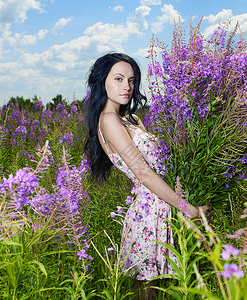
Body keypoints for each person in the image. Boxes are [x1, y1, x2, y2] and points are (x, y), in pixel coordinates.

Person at [83, 52, 209, 299]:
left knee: (161, 289)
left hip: (161, 205)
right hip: (149, 212)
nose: (127, 87)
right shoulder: (109, 120)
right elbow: (142, 172)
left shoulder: (129, 120)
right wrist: (189, 209)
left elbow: (159, 161)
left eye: (131, 80)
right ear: (102, 81)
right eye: (118, 79)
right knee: (147, 291)